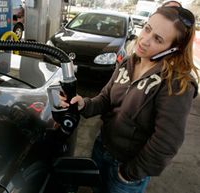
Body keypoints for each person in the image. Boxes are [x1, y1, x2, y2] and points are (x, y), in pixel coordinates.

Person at [60, 6, 199, 193]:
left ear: (174, 48)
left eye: (158, 39)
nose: (144, 40)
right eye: (147, 28)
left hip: (127, 168)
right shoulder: (129, 62)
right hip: (102, 149)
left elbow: (166, 142)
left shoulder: (176, 82)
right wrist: (84, 103)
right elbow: (105, 98)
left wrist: (129, 173)